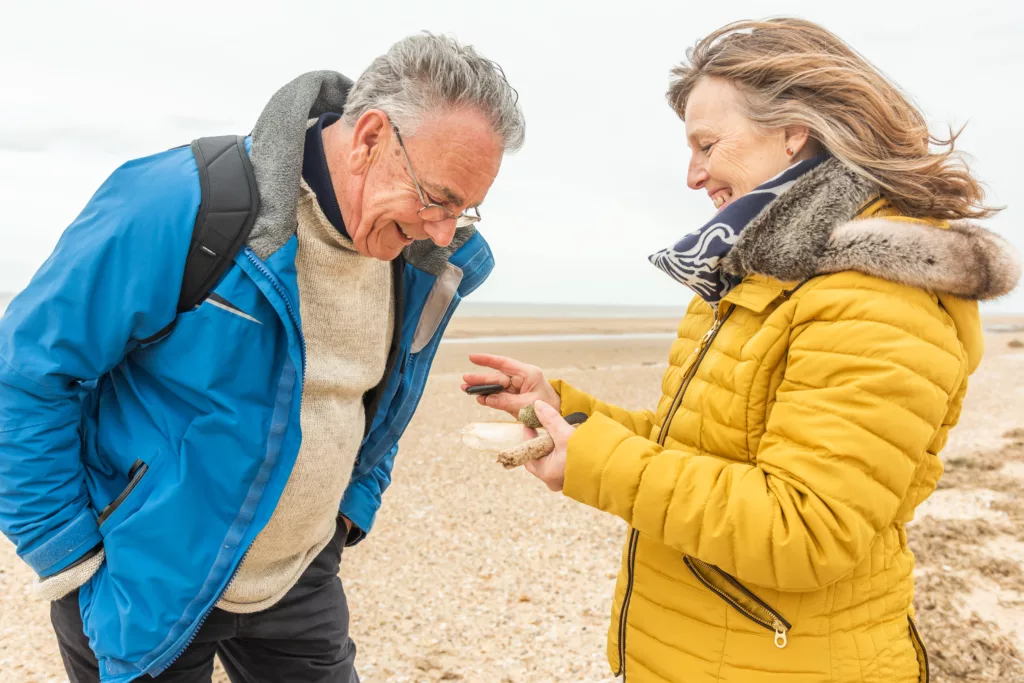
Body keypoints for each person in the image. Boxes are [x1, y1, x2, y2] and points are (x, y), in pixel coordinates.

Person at [463, 18, 1018, 683]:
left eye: (707, 143)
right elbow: (699, 451)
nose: (692, 174)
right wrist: (566, 414)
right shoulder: (754, 271)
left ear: (794, 132)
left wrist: (592, 463)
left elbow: (805, 527)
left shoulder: (875, 293)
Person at [0, 33, 523, 682]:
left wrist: (348, 511)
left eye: (466, 208)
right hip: (146, 575)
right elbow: (25, 374)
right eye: (438, 198)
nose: (446, 231)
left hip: (298, 580)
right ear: (368, 140)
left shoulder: (417, 259)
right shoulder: (179, 202)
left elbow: (382, 403)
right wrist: (66, 551)